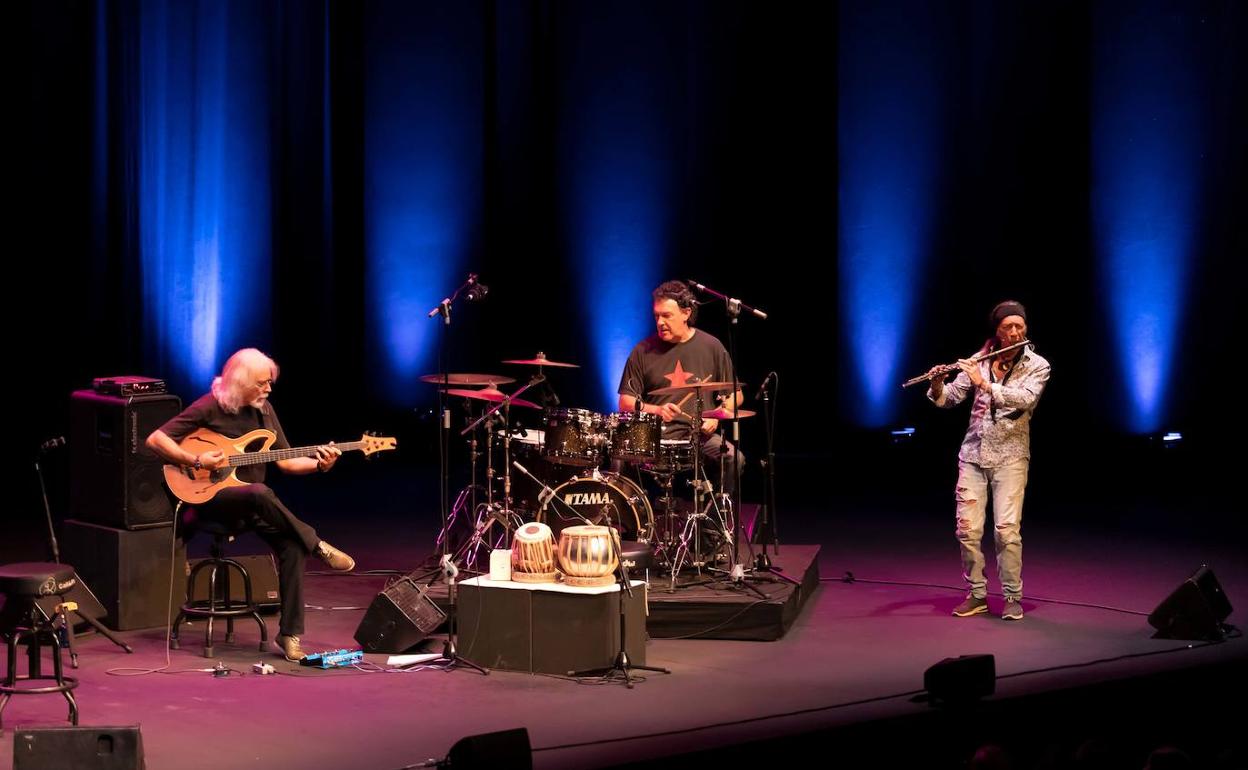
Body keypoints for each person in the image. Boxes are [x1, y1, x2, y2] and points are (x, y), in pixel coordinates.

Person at [146, 348, 356, 660]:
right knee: (259, 492)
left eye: (270, 382)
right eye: (262, 383)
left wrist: (320, 465)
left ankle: (289, 636)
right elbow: (155, 440)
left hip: (251, 504)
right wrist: (195, 458)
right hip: (209, 501)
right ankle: (318, 544)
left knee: (291, 545)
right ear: (240, 383)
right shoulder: (209, 406)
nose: (269, 388)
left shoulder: (264, 411)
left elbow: (286, 462)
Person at [927, 301, 1050, 621]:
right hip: (972, 456)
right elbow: (949, 399)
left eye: (1019, 327)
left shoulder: (1038, 365)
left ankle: (1012, 596)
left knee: (1006, 530)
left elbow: (1025, 399)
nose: (1014, 332)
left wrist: (985, 385)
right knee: (966, 530)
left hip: (1010, 458)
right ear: (996, 331)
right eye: (1007, 327)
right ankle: (977, 594)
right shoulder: (980, 361)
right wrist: (937, 382)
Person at [618, 280, 745, 500]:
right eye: (657, 316)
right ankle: (631, 524)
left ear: (686, 313)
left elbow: (737, 394)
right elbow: (625, 402)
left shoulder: (711, 347)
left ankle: (714, 524)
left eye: (667, 315)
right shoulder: (642, 351)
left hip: (699, 438)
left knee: (734, 457)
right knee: (619, 456)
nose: (660, 322)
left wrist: (716, 416)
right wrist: (657, 410)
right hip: (654, 438)